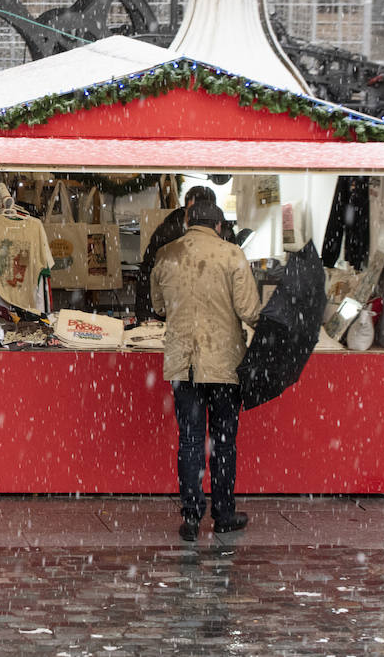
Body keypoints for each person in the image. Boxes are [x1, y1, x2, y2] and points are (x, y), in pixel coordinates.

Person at [151, 200, 261, 541]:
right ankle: (224, 513)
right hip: (224, 364)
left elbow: (158, 307)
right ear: (219, 226)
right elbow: (249, 311)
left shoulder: (166, 254)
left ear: (188, 221)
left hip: (183, 364)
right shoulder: (232, 255)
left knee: (190, 440)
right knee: (224, 441)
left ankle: (191, 514)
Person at [134, 185, 219, 321]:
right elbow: (148, 272)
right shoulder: (167, 233)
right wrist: (146, 316)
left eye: (201, 212)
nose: (194, 217)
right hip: (171, 310)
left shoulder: (224, 232)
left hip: (211, 313)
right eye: (191, 211)